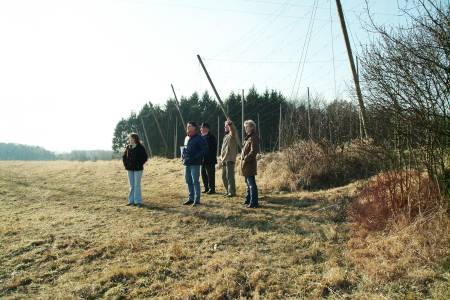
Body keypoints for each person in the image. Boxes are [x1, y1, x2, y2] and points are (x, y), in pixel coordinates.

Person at [182, 121, 208, 206]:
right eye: (187, 126)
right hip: (187, 163)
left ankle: (197, 200)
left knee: (195, 181)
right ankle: (191, 198)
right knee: (188, 180)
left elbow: (204, 149)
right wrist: (183, 156)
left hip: (195, 163)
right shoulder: (186, 138)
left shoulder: (199, 138)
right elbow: (184, 149)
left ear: (194, 128)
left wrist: (196, 157)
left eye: (189, 126)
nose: (188, 128)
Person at [122, 133, 148, 208]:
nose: (129, 140)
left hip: (138, 169)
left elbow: (145, 157)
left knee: (137, 185)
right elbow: (124, 157)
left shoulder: (140, 147)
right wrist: (126, 165)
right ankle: (131, 201)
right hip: (129, 169)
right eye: (129, 138)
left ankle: (138, 202)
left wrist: (139, 164)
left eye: (130, 138)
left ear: (134, 139)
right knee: (131, 186)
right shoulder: (128, 147)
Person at [241, 120, 260, 208]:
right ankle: (248, 199)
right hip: (246, 164)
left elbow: (254, 151)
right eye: (245, 127)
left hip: (249, 164)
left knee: (251, 184)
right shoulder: (248, 137)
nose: (245, 128)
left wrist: (246, 158)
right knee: (248, 183)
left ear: (252, 127)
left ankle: (254, 202)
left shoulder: (253, 137)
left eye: (247, 127)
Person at [220, 118, 238, 197]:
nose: (225, 127)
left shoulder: (232, 134)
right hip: (224, 159)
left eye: (226, 126)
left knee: (230, 176)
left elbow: (233, 130)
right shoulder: (225, 137)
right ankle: (228, 190)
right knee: (224, 176)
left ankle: (232, 192)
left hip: (230, 159)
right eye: (225, 126)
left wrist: (230, 124)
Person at [200, 122, 218, 194]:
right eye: (201, 128)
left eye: (202, 127)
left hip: (210, 160)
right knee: (203, 174)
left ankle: (212, 189)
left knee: (210, 175)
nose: (201, 129)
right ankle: (206, 188)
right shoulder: (201, 137)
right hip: (202, 160)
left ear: (206, 128)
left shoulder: (211, 137)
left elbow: (212, 148)